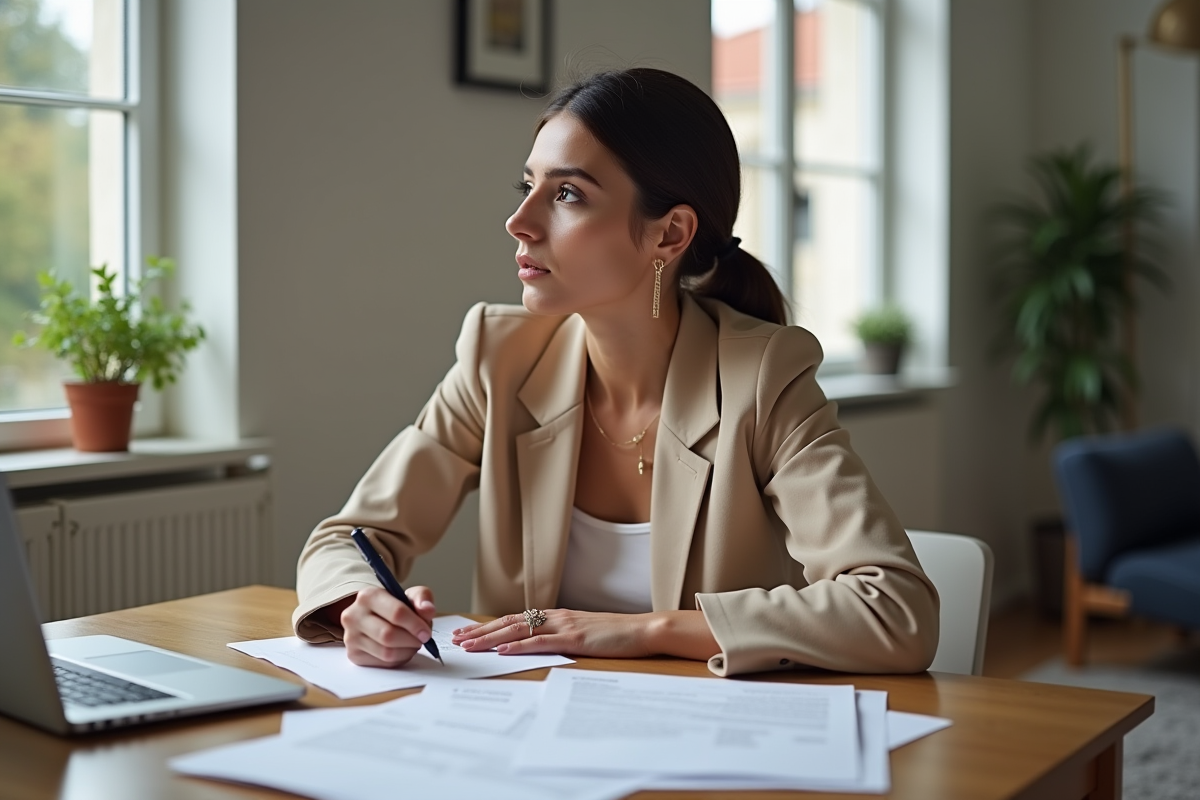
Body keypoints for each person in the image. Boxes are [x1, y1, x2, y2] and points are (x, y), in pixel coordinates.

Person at [292, 68, 939, 677]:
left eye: (568, 193)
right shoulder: (501, 359)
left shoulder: (762, 378)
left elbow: (896, 609)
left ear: (669, 234)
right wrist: (360, 606)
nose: (519, 222)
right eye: (529, 186)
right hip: (524, 741)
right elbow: (349, 538)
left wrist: (647, 630)